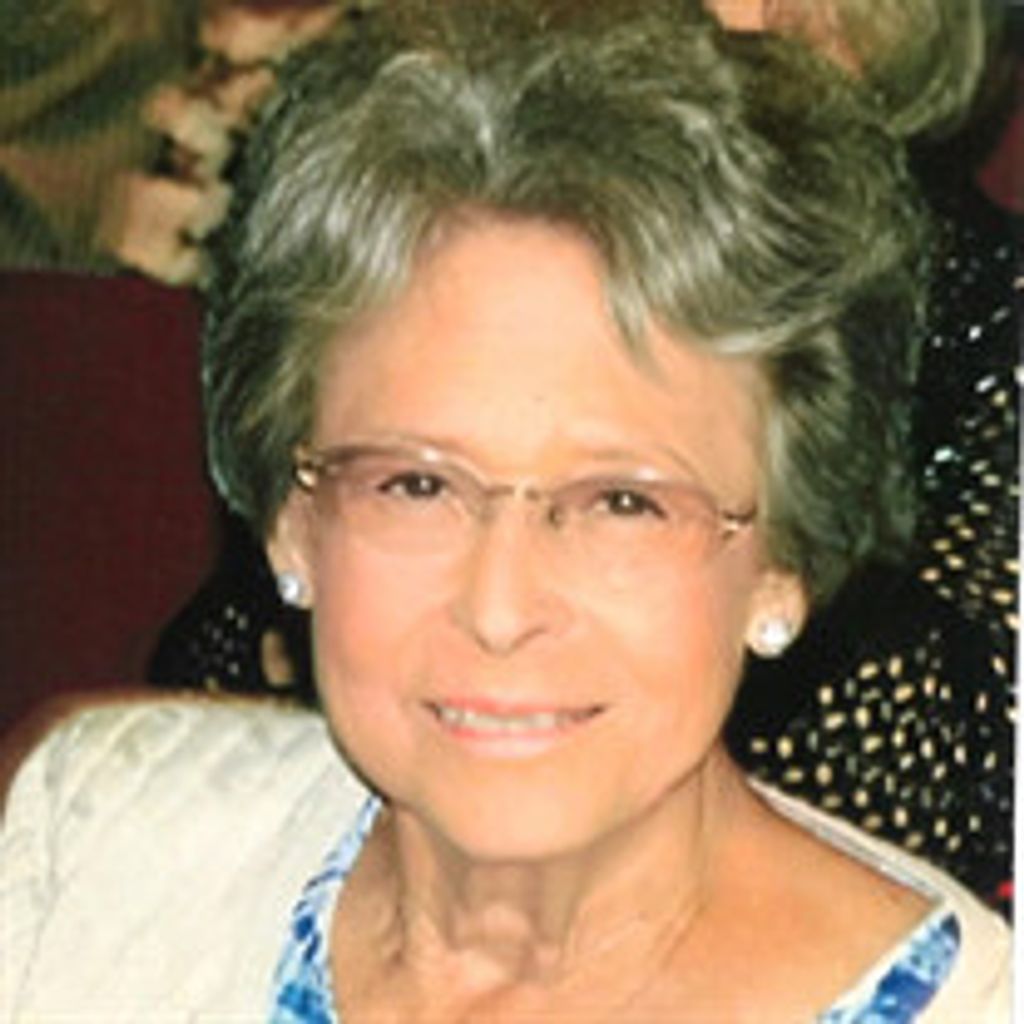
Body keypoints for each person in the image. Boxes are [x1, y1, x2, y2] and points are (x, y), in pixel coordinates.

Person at [1, 1, 1011, 1019]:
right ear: (293, 522)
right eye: (416, 485)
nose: (499, 607)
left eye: (622, 503)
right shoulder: (91, 846)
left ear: (782, 562)